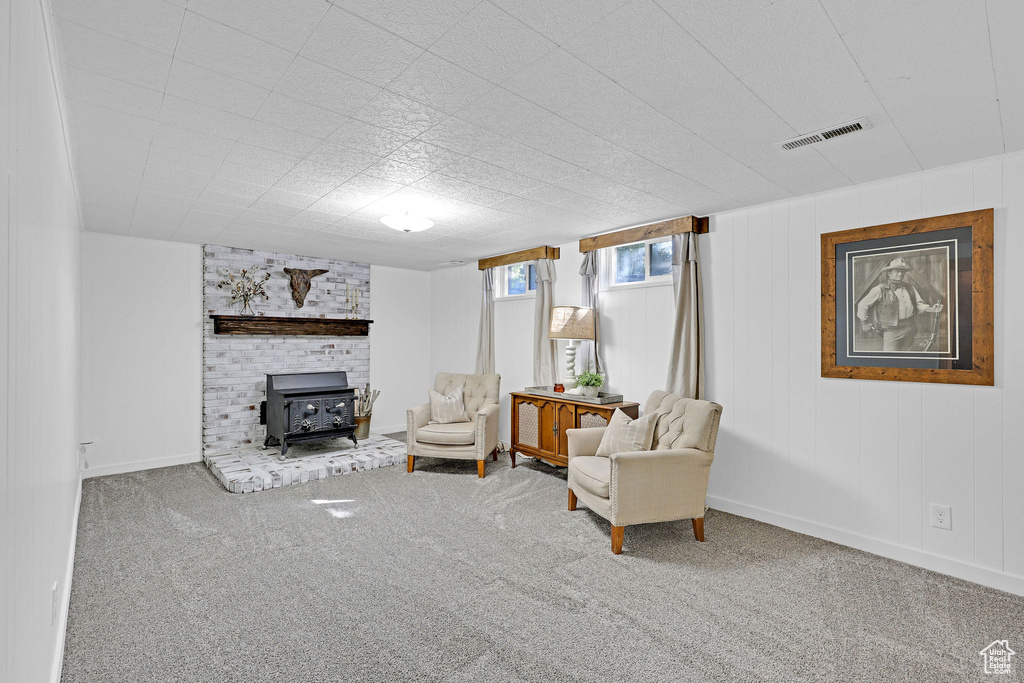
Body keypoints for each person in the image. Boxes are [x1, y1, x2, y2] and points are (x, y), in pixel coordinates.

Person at [856, 257, 943, 351]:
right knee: (890, 360)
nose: (900, 274)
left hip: (909, 328)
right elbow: (862, 305)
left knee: (907, 357)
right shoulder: (880, 289)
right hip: (891, 332)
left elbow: (918, 304)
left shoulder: (910, 288)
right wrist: (864, 322)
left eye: (902, 271)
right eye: (897, 271)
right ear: (889, 274)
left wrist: (931, 309)